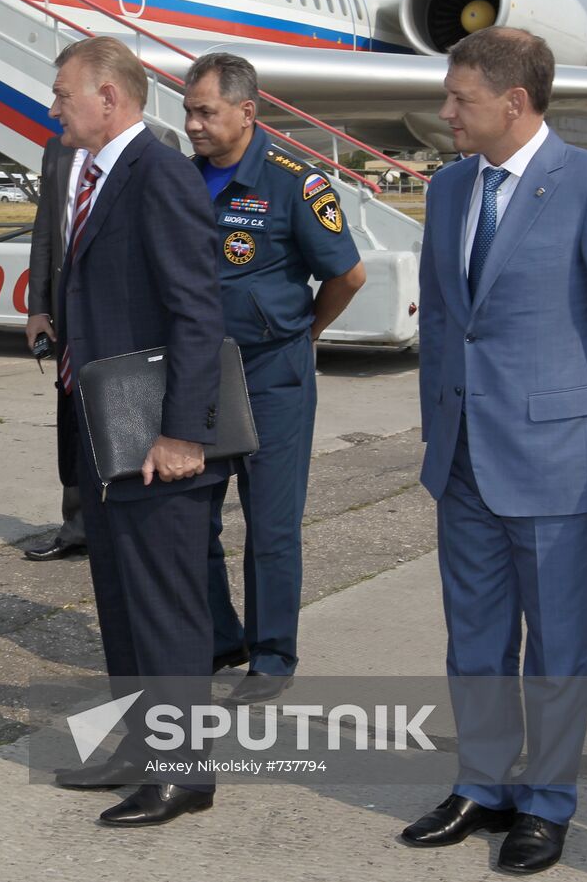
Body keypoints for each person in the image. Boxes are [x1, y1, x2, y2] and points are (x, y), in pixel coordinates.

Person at [403, 26, 587, 874]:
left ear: (513, 102)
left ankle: (548, 800)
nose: (446, 111)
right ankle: (482, 783)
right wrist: (435, 426)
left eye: (461, 99)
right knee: (474, 639)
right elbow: (446, 321)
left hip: (560, 456)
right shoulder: (449, 190)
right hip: (464, 458)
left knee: (558, 645)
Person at [45, 37, 227, 826]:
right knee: (119, 599)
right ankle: (141, 744)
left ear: (109, 98)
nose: (54, 106)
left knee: (165, 605)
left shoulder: (160, 173)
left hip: (158, 433)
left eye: (63, 94)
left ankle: (184, 770)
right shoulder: (89, 171)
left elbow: (197, 311)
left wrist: (184, 432)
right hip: (104, 424)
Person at [182, 53, 366, 704]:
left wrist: (303, 333)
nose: (193, 123)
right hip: (198, 375)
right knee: (191, 516)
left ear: (246, 112)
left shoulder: (295, 183)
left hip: (270, 373)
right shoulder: (184, 179)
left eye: (205, 111)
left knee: (271, 520)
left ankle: (271, 652)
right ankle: (220, 634)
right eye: (188, 110)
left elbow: (348, 275)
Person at [24, 135, 86, 562]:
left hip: (117, 320)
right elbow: (46, 229)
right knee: (71, 422)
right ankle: (77, 527)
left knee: (116, 421)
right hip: (66, 316)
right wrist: (38, 307)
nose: (53, 109)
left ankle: (119, 529)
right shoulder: (58, 150)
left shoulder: (156, 142)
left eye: (62, 96)